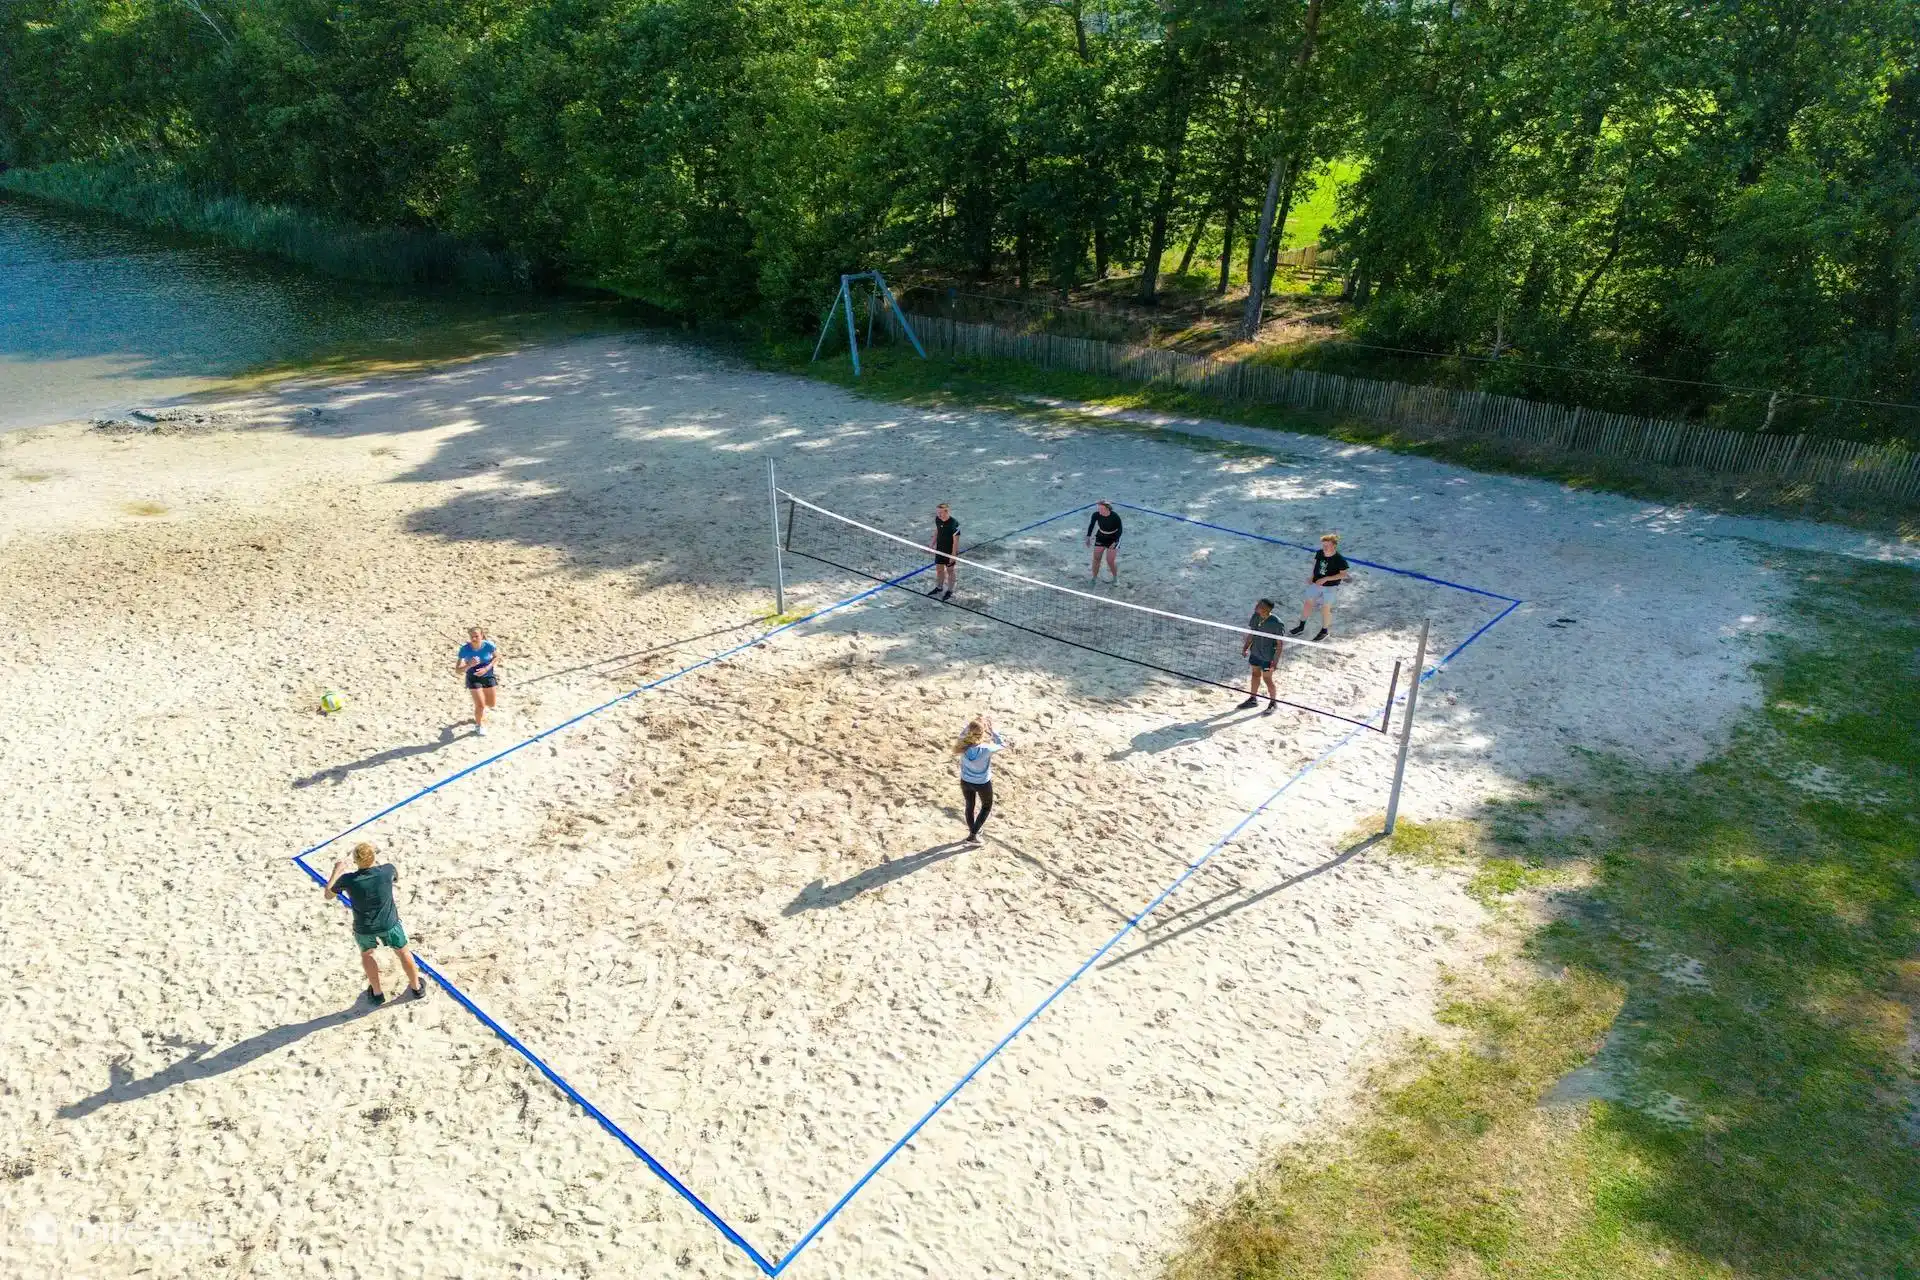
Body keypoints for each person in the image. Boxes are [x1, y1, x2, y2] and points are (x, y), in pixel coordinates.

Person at [324, 842, 425, 1006]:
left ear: (355, 860)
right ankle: (416, 987)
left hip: (364, 928)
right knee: (403, 952)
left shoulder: (347, 879)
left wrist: (337, 871)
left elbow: (328, 895)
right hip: (389, 924)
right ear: (373, 857)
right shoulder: (387, 870)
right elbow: (396, 878)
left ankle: (377, 993)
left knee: (367, 955)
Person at [952, 715, 1008, 845]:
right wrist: (993, 731)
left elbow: (964, 733)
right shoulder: (986, 749)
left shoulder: (962, 745)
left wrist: (974, 725)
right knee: (986, 806)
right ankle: (973, 835)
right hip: (982, 783)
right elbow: (1002, 745)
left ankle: (974, 830)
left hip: (965, 781)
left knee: (969, 806)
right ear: (982, 734)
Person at [1291, 533, 1349, 641]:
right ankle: (1301, 626)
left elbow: (1343, 575)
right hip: (1316, 583)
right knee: (1308, 603)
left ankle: (1324, 631)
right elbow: (1315, 565)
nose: (1324, 548)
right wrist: (1312, 577)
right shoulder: (1320, 553)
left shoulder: (1340, 559)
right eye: (1323, 545)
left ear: (1334, 545)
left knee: (1325, 608)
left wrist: (1326, 578)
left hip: (1330, 587)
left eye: (1327, 545)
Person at [1239, 598, 1285, 713]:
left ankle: (1273, 703)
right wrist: (1245, 647)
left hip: (1268, 657)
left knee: (1267, 679)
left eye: (1259, 605)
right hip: (1255, 652)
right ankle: (1253, 699)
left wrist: (1275, 662)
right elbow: (1252, 634)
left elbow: (1280, 644)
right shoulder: (1256, 616)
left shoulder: (1277, 623)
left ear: (1266, 609)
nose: (1256, 606)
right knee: (1255, 675)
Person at [455, 626, 499, 736]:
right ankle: (479, 725)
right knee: (480, 705)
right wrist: (469, 664)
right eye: (472, 637)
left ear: (482, 636)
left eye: (476, 636)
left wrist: (486, 668)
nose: (474, 639)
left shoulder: (489, 645)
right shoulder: (464, 649)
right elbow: (457, 670)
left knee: (491, 704)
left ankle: (480, 713)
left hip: (488, 675)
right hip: (473, 677)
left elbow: (497, 657)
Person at [1085, 500, 1123, 583]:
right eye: (1099, 508)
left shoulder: (1115, 516)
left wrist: (1115, 542)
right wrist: (1088, 536)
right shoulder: (1096, 514)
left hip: (1113, 538)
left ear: (1107, 509)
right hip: (1101, 536)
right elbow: (1091, 525)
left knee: (1110, 561)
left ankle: (1115, 578)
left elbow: (1120, 530)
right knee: (1096, 559)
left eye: (1101, 509)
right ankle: (1094, 578)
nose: (1099, 511)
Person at [929, 502, 960, 601]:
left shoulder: (954, 524)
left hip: (949, 551)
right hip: (940, 550)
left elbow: (955, 542)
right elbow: (937, 531)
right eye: (937, 512)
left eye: (941, 512)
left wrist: (953, 556)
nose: (938, 514)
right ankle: (939, 587)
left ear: (947, 512)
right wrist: (932, 544)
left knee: (950, 571)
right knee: (939, 570)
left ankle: (950, 590)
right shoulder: (938, 519)